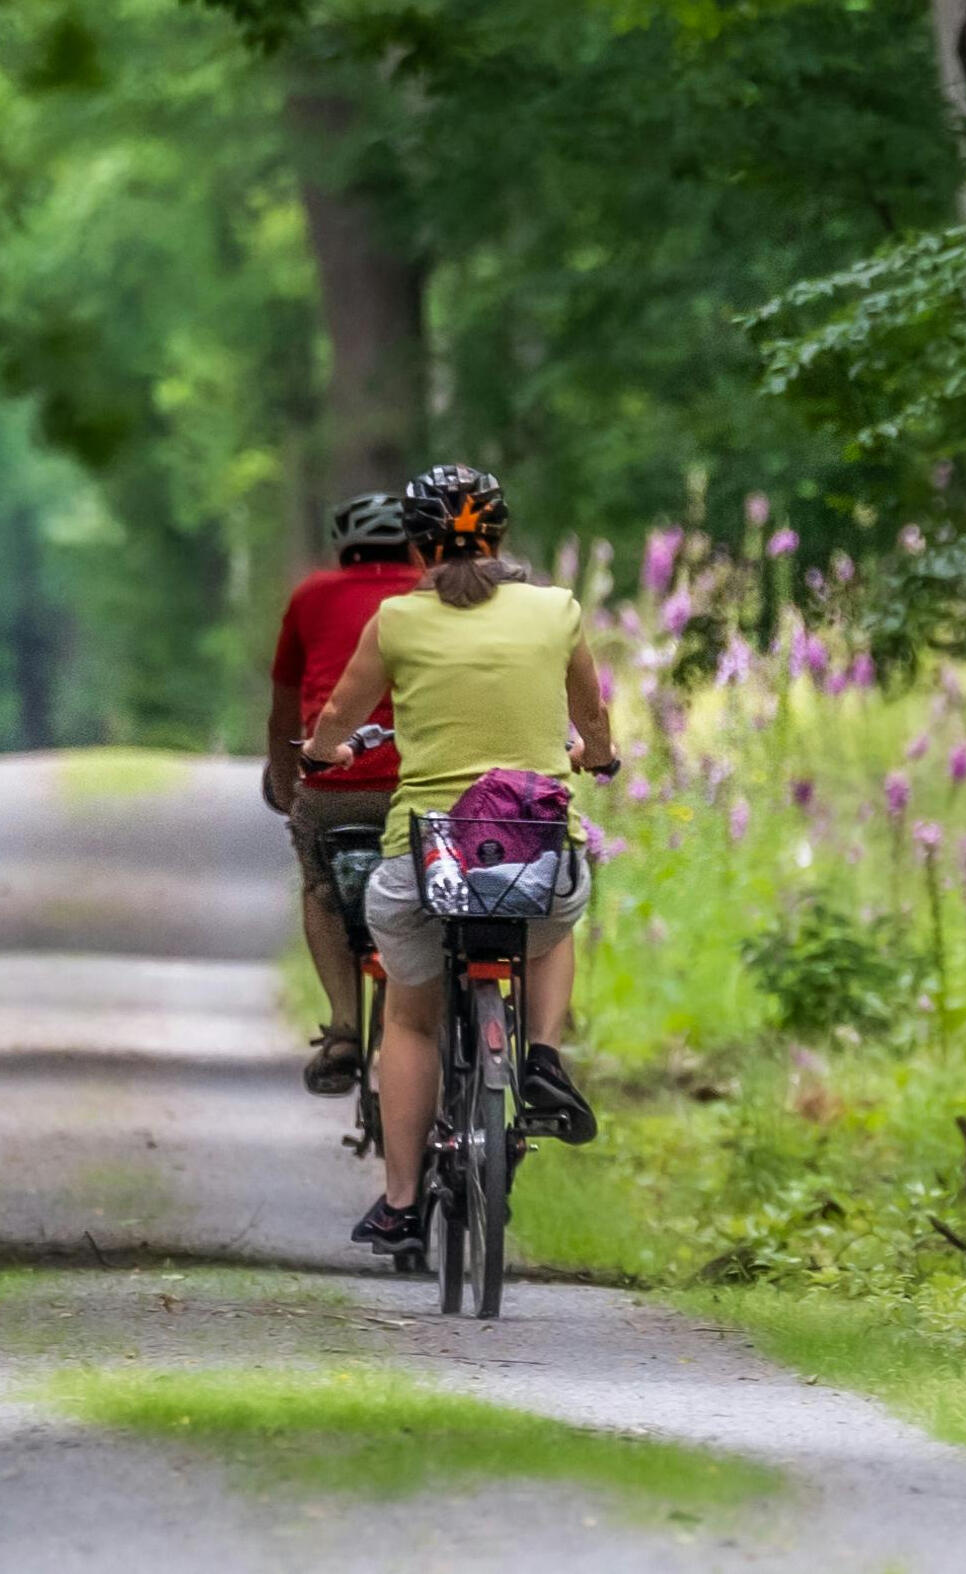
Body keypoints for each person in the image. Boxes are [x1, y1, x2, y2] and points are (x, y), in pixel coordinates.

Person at [299, 463, 617, 1254]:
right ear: (502, 534)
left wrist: (323, 752)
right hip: (532, 848)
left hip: (429, 853)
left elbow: (339, 716)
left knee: (407, 1019)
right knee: (554, 917)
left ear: (416, 546)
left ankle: (402, 1202)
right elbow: (592, 717)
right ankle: (541, 1057)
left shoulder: (397, 620)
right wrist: (596, 754)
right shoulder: (556, 611)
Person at [267, 491, 421, 1096]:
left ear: (344, 544)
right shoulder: (433, 595)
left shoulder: (311, 596)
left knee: (322, 888)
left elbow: (286, 707)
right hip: (422, 783)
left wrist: (288, 788)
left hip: (336, 787)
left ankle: (345, 1031)